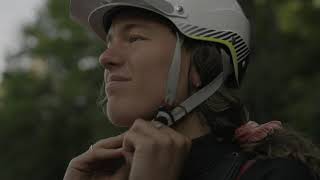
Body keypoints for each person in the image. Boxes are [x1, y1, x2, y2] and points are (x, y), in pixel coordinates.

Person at [64, 0, 320, 180]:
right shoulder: (105, 174)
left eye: (135, 38)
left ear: (204, 64)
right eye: (109, 42)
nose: (105, 58)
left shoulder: (275, 175)